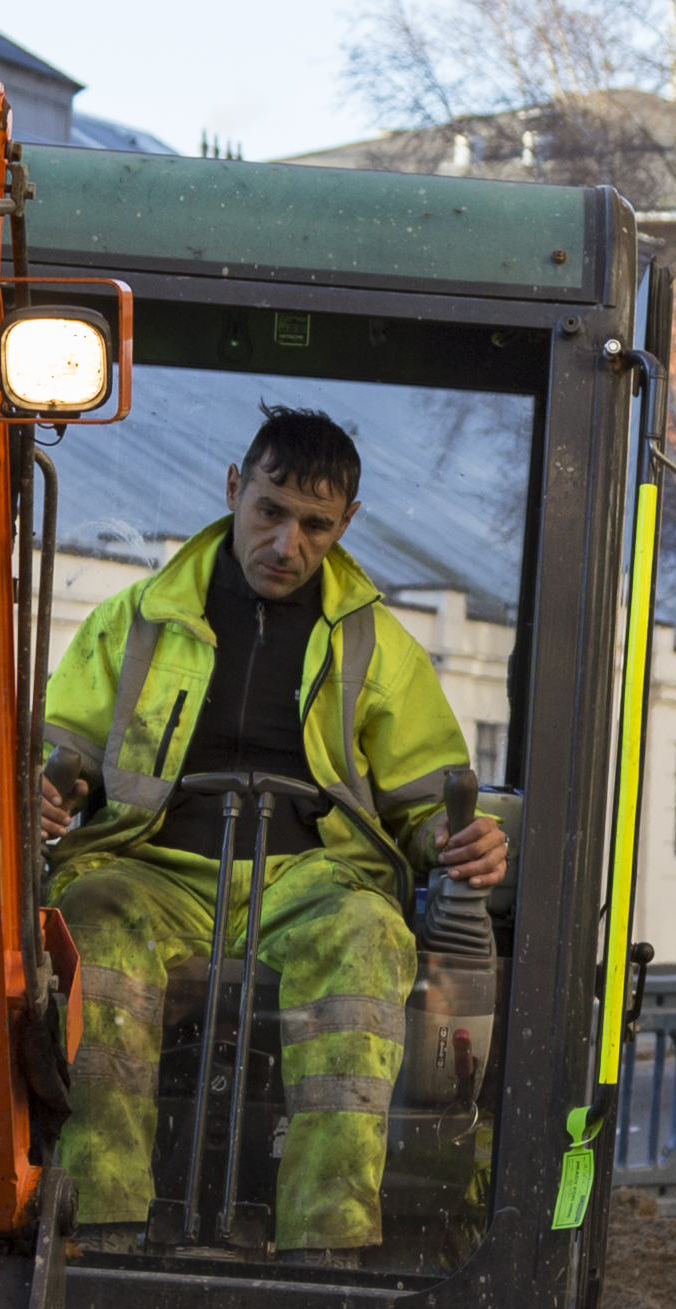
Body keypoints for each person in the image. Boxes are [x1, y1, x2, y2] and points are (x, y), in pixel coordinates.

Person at [25, 407, 507, 1251]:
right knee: (91, 928)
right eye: (270, 512)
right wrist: (43, 789)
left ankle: (327, 1242)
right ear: (232, 491)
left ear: (346, 525)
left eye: (314, 525)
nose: (287, 544)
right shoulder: (133, 623)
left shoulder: (380, 649)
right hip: (153, 870)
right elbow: (64, 748)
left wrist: (456, 838)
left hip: (310, 884)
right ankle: (98, 1227)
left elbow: (426, 800)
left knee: (367, 937)